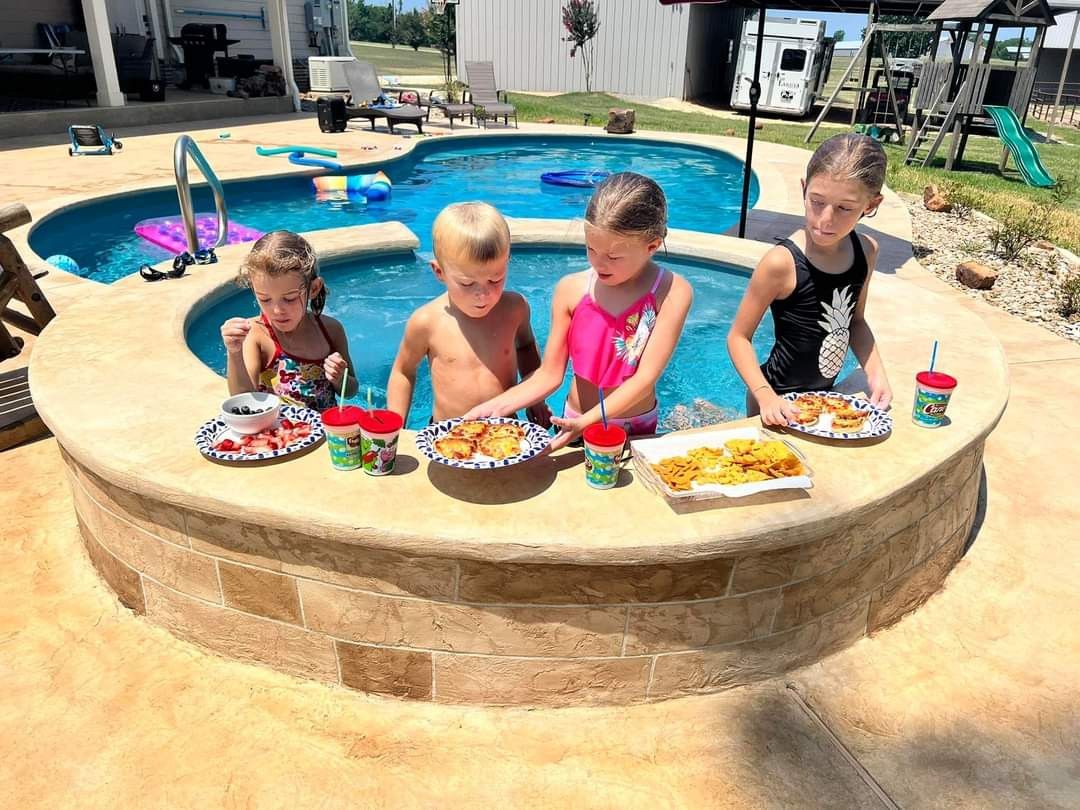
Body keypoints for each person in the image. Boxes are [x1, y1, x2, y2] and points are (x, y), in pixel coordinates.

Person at [466, 172, 694, 450]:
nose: (599, 263)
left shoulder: (670, 292)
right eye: (591, 248)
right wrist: (495, 407)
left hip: (634, 426)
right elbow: (550, 374)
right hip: (573, 420)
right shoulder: (571, 290)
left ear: (652, 246)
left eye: (613, 256)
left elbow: (645, 379)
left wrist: (589, 421)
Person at [727, 133, 893, 426]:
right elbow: (738, 337)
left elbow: (854, 321)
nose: (826, 219)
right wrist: (765, 395)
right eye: (817, 201)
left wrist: (876, 372)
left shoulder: (866, 251)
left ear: (870, 204)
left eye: (845, 208)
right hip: (774, 398)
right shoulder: (781, 263)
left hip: (822, 401)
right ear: (804, 190)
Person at [386, 202, 549, 425]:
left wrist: (534, 397)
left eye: (495, 279)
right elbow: (403, 372)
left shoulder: (515, 309)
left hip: (506, 431)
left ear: (507, 262)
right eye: (467, 283)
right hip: (447, 434)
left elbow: (526, 346)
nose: (482, 294)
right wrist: (395, 429)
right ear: (439, 272)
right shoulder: (427, 322)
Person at [220, 231, 357, 411]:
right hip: (281, 436)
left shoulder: (331, 330)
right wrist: (234, 352)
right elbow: (243, 401)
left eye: (290, 298)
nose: (277, 310)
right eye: (265, 299)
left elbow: (351, 391)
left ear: (314, 288)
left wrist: (340, 379)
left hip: (324, 436)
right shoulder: (256, 334)